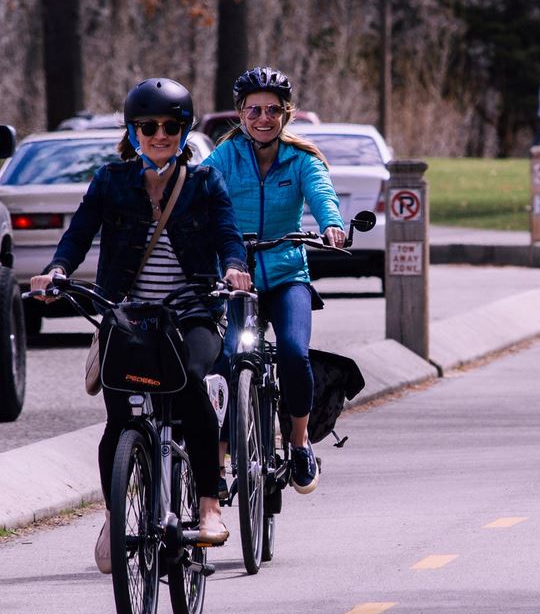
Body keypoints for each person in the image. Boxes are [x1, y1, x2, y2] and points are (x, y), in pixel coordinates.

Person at [30, 78, 252, 572]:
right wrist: (58, 271)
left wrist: (234, 267)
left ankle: (209, 506)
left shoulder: (203, 183)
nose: (159, 135)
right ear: (132, 131)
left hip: (191, 310)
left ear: (184, 131)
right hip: (127, 315)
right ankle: (116, 512)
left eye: (171, 127)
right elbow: (79, 234)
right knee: (121, 419)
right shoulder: (111, 180)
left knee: (191, 382)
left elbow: (228, 235)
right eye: (148, 126)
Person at [202, 66, 345, 495]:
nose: (263, 119)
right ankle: (220, 461)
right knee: (225, 360)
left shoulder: (302, 159)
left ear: (286, 114)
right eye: (253, 111)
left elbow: (322, 195)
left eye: (272, 110)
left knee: (294, 355)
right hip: (236, 277)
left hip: (286, 275)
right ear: (241, 114)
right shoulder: (224, 157)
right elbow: (197, 192)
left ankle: (299, 445)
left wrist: (332, 225)